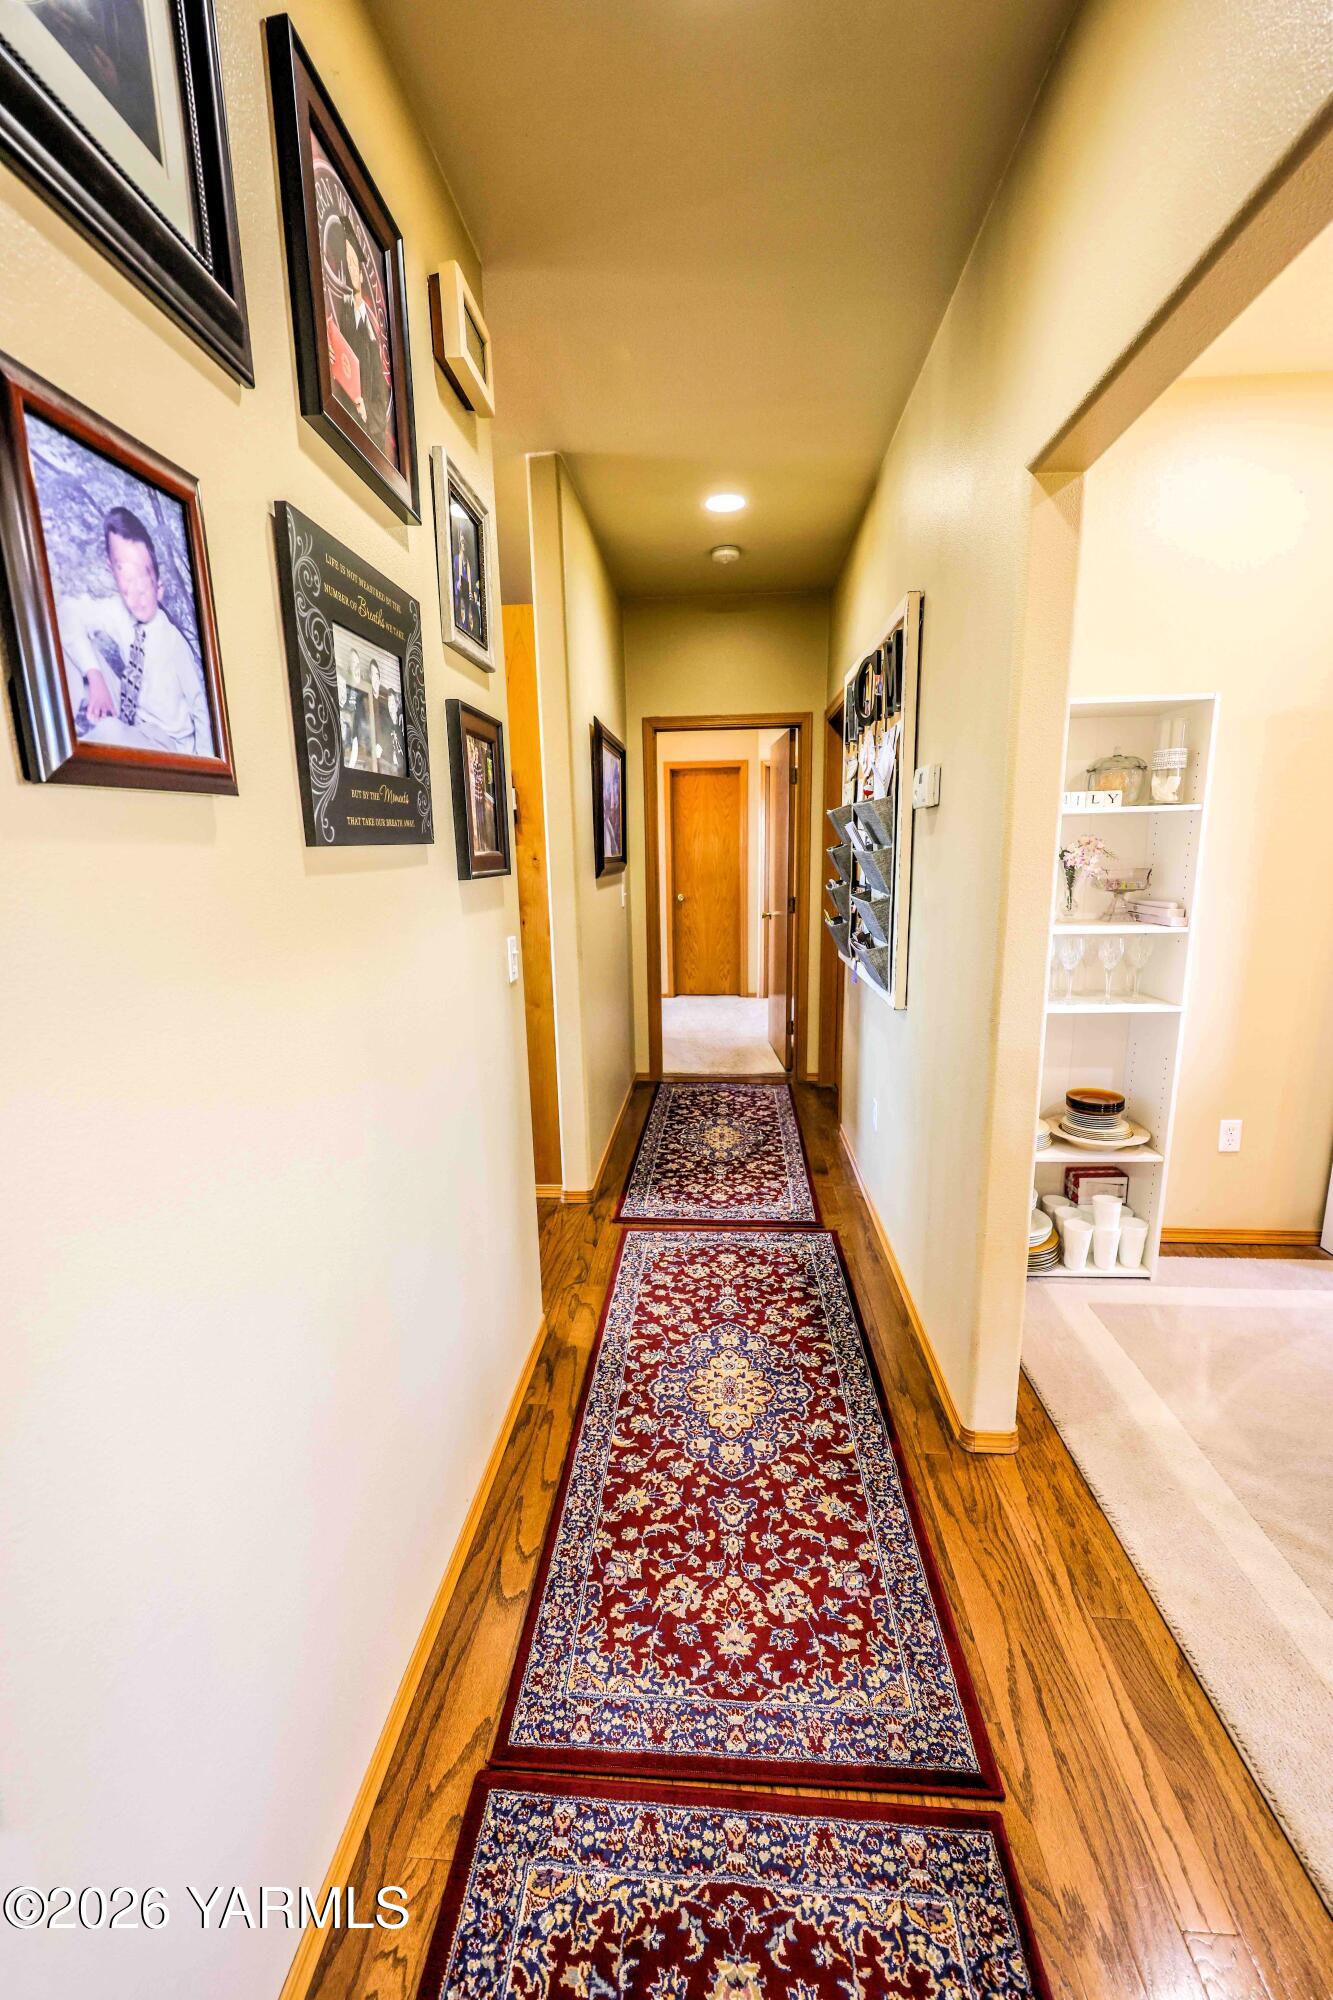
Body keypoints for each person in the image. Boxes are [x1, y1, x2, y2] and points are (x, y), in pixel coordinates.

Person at [58, 505, 214, 757]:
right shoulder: (118, 609)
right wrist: (94, 675)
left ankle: (88, 747)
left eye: (142, 573)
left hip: (171, 742)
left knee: (109, 733)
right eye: (124, 571)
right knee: (65, 644)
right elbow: (68, 613)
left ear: (158, 584)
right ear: (111, 568)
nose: (136, 590)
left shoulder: (171, 639)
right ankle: (66, 734)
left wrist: (205, 764)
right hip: (136, 726)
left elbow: (200, 706)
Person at [332, 229, 390, 453]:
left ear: (362, 274)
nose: (351, 270)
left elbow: (381, 398)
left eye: (355, 264)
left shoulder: (371, 332)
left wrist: (365, 409)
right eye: (347, 263)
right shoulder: (339, 312)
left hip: (366, 436)